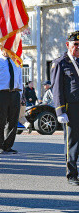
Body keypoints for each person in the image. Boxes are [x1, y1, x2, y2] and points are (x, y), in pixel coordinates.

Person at [51, 30, 79, 186]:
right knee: (72, 142)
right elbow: (57, 89)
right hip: (71, 107)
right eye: (75, 45)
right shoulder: (61, 62)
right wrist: (60, 110)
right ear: (68, 45)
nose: (78, 48)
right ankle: (72, 174)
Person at [0, 49, 23, 155]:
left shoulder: (17, 62)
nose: (9, 51)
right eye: (6, 48)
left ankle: (8, 146)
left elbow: (20, 80)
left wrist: (20, 96)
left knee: (13, 121)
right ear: (2, 49)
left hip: (14, 94)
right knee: (0, 121)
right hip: (1, 94)